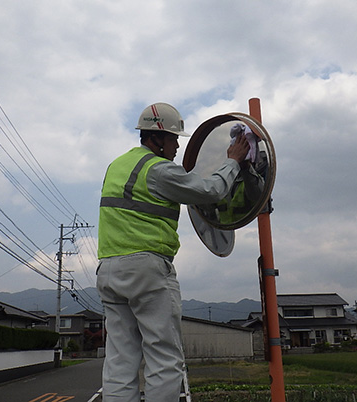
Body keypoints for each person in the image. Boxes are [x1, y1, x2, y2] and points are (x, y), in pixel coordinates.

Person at [96, 102, 249, 402]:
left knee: (120, 360)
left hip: (109, 270)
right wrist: (233, 162)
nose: (177, 145)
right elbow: (210, 191)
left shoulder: (117, 165)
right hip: (147, 269)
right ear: (156, 138)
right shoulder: (158, 169)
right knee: (164, 358)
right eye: (173, 139)